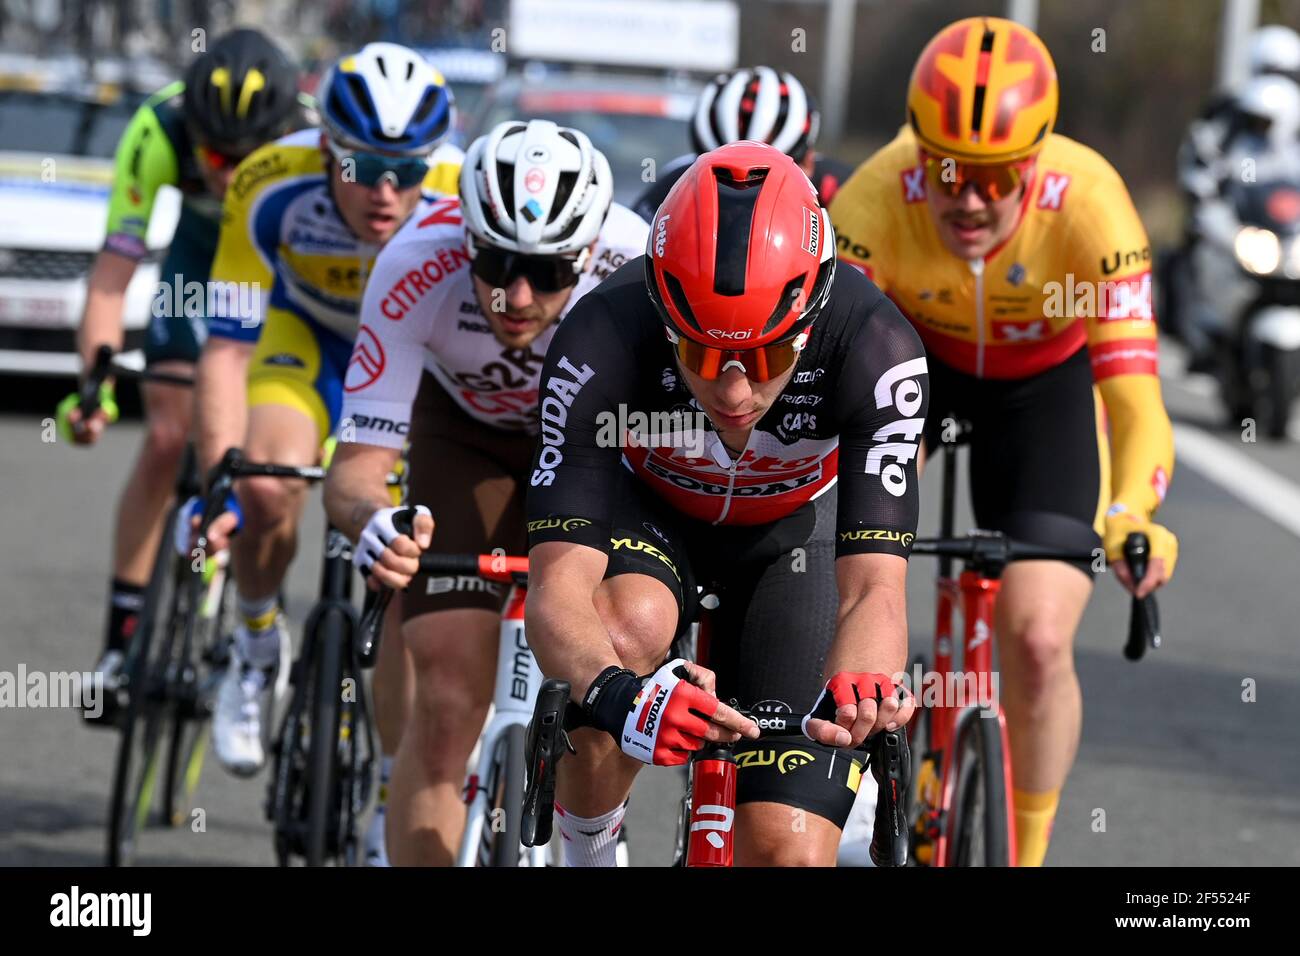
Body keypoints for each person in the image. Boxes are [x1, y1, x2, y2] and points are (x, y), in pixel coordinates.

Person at [831, 16, 1178, 867]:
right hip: (916, 366)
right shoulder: (872, 202)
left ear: (1038, 159)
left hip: (1042, 391)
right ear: (918, 153)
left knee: (1038, 637)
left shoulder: (1093, 204)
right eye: (947, 172)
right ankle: (834, 784)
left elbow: (1134, 399)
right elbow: (831, 395)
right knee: (843, 554)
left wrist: (1135, 512)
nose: (970, 199)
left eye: (997, 177)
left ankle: (1024, 854)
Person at [520, 141, 926, 866]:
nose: (735, 393)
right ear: (663, 314)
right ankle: (588, 848)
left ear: (811, 316)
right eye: (703, 356)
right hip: (654, 518)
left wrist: (865, 686)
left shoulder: (877, 346)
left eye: (767, 357)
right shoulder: (600, 335)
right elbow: (556, 588)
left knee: (789, 852)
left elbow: (875, 591)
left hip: (796, 537)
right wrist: (616, 694)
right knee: (625, 627)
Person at [322, 118, 649, 866]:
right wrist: (374, 520)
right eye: (496, 263)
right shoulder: (411, 265)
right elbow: (354, 471)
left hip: (598, 449)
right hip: (463, 438)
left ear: (591, 252)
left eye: (550, 273)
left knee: (609, 673)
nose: (517, 295)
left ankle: (593, 840)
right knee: (444, 701)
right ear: (464, 238)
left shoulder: (636, 263)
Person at [191, 42, 462, 779]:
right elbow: (225, 348)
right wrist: (221, 476)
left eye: (405, 172)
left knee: (407, 564)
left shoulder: (461, 193)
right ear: (324, 150)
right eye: (364, 168)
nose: (385, 192)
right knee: (266, 485)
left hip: (410, 360)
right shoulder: (267, 181)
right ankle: (253, 648)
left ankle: (391, 789)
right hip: (306, 337)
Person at [59, 29, 304, 714]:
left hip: (277, 277)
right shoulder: (159, 127)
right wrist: (94, 386)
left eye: (246, 159)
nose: (227, 175)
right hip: (195, 272)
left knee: (265, 452)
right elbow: (110, 282)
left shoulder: (313, 143)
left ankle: (251, 603)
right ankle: (121, 641)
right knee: (169, 432)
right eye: (215, 157)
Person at [630, 66, 852, 223]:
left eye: (762, 180)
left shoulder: (844, 191)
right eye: (721, 178)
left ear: (809, 162)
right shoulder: (676, 183)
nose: (742, 201)